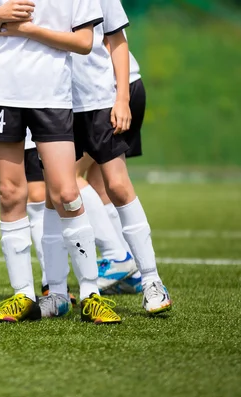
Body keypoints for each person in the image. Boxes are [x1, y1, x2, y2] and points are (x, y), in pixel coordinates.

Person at [0, 0, 122, 324]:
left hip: (52, 98)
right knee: (11, 194)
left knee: (67, 193)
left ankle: (90, 293)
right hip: (1, 98)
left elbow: (85, 42)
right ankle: (23, 293)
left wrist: (28, 30)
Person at [70, 0, 171, 314]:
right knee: (98, 186)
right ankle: (131, 271)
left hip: (107, 94)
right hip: (67, 100)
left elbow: (117, 38)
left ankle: (138, 271)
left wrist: (121, 98)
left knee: (95, 182)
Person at [79, 44, 146, 295]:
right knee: (100, 185)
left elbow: (108, 40)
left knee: (65, 177)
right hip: (126, 85)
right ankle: (134, 273)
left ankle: (117, 257)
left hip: (112, 91)